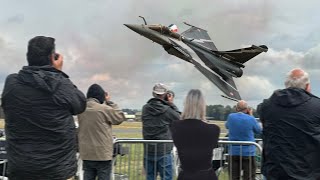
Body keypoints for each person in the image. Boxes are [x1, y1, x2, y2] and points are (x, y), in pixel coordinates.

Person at [1, 36, 87, 180]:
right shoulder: (61, 84)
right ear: (52, 58)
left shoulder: (12, 83)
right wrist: (58, 72)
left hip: (21, 168)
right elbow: (80, 104)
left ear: (29, 57)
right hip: (58, 170)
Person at [257, 68, 320, 180]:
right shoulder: (316, 106)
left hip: (275, 172)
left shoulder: (266, 106)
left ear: (286, 85)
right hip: (309, 173)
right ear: (307, 86)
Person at [77, 84, 126, 180]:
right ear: (101, 96)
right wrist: (109, 102)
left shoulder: (81, 109)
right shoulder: (104, 109)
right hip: (102, 154)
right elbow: (120, 117)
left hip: (86, 153)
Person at [170, 89, 220, 180]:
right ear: (202, 106)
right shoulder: (213, 130)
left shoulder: (176, 127)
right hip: (206, 176)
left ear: (186, 105)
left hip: (186, 175)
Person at [142, 83, 180, 180]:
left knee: (150, 177)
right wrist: (171, 103)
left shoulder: (145, 108)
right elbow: (179, 118)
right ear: (165, 95)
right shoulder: (167, 110)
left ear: (153, 94)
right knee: (166, 177)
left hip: (148, 149)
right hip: (164, 150)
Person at [226, 100, 262, 180]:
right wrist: (251, 115)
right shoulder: (250, 118)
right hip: (248, 152)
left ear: (236, 108)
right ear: (247, 109)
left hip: (233, 152)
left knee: (233, 177)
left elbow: (227, 126)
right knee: (249, 177)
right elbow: (258, 130)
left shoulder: (230, 117)